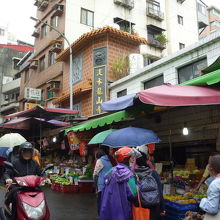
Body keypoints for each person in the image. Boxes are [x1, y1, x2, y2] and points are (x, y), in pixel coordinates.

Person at [4, 142, 46, 220]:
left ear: (31, 152)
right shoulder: (15, 162)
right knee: (14, 196)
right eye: (25, 151)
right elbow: (7, 172)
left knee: (41, 195)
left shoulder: (34, 163)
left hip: (33, 187)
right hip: (18, 186)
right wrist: (8, 178)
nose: (27, 153)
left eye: (29, 151)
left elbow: (41, 172)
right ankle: (13, 214)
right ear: (21, 152)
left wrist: (45, 177)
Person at [99, 147, 138, 220]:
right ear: (127, 159)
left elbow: (103, 191)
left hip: (107, 211)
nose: (133, 160)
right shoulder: (129, 175)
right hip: (122, 213)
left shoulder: (109, 172)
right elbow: (134, 194)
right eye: (132, 158)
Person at [134, 145, 165, 220]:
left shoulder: (133, 174)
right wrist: (162, 208)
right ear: (147, 157)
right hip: (153, 208)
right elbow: (160, 192)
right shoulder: (153, 173)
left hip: (139, 208)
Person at [93, 146, 116, 215]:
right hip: (110, 184)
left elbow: (95, 174)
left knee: (100, 202)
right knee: (107, 202)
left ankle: (101, 216)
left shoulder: (100, 161)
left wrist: (96, 186)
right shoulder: (110, 160)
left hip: (101, 186)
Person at [200, 155, 220, 219]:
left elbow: (212, 209)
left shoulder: (215, 184)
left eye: (208, 165)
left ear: (211, 168)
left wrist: (203, 200)